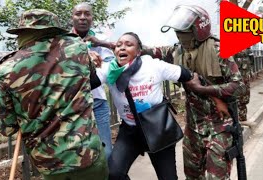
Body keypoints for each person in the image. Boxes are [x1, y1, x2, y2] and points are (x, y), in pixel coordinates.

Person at [0, 9, 108, 180]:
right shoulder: (78, 48)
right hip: (88, 156)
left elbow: (8, 128)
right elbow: (91, 76)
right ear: (56, 31)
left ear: (22, 33)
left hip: (50, 165)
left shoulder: (8, 69)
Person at [143, 5, 246, 179]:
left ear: (198, 29)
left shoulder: (219, 50)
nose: (179, 35)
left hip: (219, 128)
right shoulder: (179, 51)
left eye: (184, 31)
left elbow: (239, 86)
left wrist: (203, 89)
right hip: (193, 128)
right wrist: (116, 45)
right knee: (192, 176)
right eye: (177, 31)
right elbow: (153, 51)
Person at [94, 32, 195, 180]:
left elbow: (185, 74)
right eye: (119, 45)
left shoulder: (152, 65)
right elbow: (91, 82)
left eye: (129, 45)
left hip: (157, 129)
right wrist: (87, 61)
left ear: (138, 51)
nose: (122, 48)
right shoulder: (109, 69)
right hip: (130, 131)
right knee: (113, 173)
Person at [71, 2, 114, 159]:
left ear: (92, 18)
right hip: (72, 105)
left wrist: (100, 44)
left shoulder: (101, 40)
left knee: (106, 152)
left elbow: (110, 68)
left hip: (98, 104)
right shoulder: (63, 41)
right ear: (72, 18)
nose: (83, 17)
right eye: (78, 14)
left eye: (87, 14)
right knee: (78, 154)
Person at [233, 48, 252, 124]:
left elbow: (250, 63)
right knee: (237, 100)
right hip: (237, 81)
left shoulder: (248, 51)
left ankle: (243, 119)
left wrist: (250, 73)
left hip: (245, 79)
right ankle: (237, 120)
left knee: (244, 100)